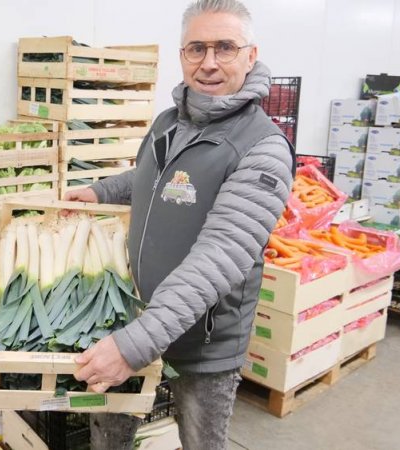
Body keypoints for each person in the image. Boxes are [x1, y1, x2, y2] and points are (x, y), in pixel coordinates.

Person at [65, 1, 295, 449]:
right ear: (182, 55)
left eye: (225, 48)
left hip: (204, 342)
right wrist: (102, 192)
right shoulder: (170, 121)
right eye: (196, 48)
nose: (208, 62)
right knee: (108, 437)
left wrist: (135, 346)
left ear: (251, 55)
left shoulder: (262, 148)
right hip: (133, 314)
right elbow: (159, 178)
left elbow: (220, 256)